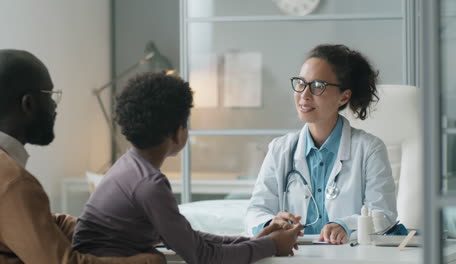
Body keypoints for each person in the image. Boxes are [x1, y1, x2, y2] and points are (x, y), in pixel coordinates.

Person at [72, 71, 302, 264]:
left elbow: (188, 238)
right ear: (177, 132)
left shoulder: (128, 166)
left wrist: (257, 242)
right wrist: (270, 246)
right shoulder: (148, 185)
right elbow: (201, 255)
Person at [0, 49, 165, 264]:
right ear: (28, 104)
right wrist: (150, 261)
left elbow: (35, 223)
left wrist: (105, 229)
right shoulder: (14, 182)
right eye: (49, 96)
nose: (54, 107)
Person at [245, 44, 397, 245]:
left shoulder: (369, 149)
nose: (304, 95)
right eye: (301, 83)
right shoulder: (280, 149)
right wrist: (270, 223)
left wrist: (345, 225)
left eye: (317, 86)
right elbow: (255, 210)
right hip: (295, 256)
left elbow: (383, 215)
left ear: (344, 96)